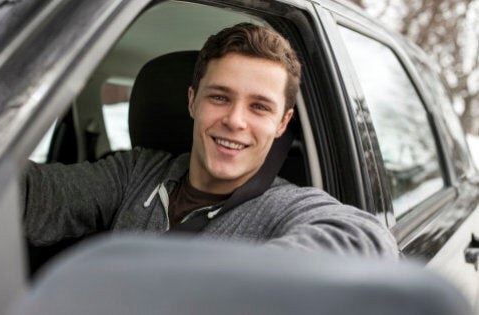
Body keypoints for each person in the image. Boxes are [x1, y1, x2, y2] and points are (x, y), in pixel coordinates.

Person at [21, 23, 399, 260]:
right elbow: (38, 194)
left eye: (259, 107)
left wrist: (254, 282)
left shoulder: (285, 206)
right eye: (219, 97)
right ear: (192, 101)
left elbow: (366, 239)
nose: (235, 121)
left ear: (282, 123)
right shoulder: (136, 171)